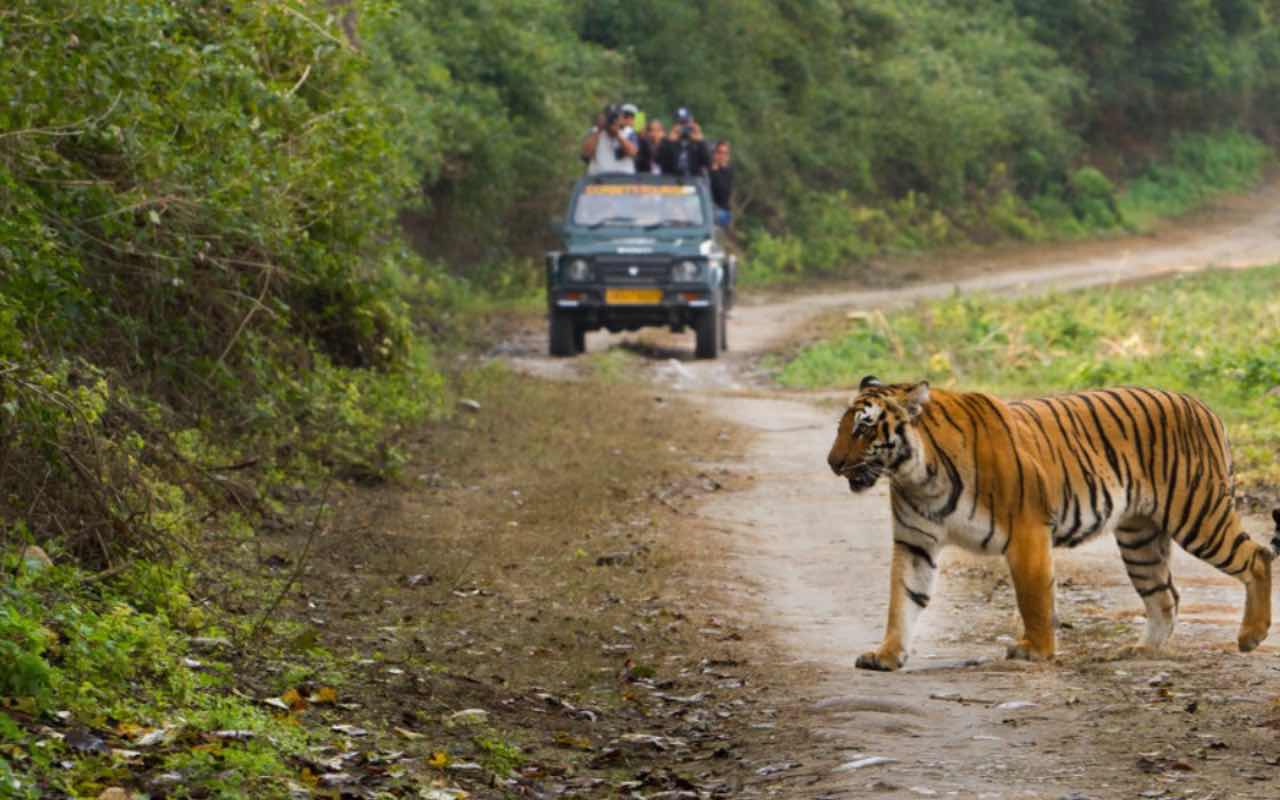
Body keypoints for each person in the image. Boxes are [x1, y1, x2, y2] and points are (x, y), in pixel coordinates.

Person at [581, 104, 637, 175]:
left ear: (621, 118)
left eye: (616, 117)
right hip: (598, 178)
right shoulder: (594, 131)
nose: (613, 120)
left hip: (624, 178)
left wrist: (617, 134)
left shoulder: (629, 132)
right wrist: (599, 130)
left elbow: (632, 153)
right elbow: (586, 153)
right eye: (610, 117)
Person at [658, 107, 710, 177]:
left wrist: (701, 142)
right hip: (671, 181)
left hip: (693, 180)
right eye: (680, 123)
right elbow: (659, 161)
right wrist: (669, 142)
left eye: (686, 122)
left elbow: (708, 163)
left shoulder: (697, 142)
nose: (683, 126)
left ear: (692, 123)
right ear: (674, 124)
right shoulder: (667, 141)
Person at [708, 139, 733, 227]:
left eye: (725, 153)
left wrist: (715, 171)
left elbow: (723, 195)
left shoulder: (728, 171)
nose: (721, 156)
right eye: (719, 152)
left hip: (721, 211)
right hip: (706, 207)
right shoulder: (707, 169)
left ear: (728, 156)